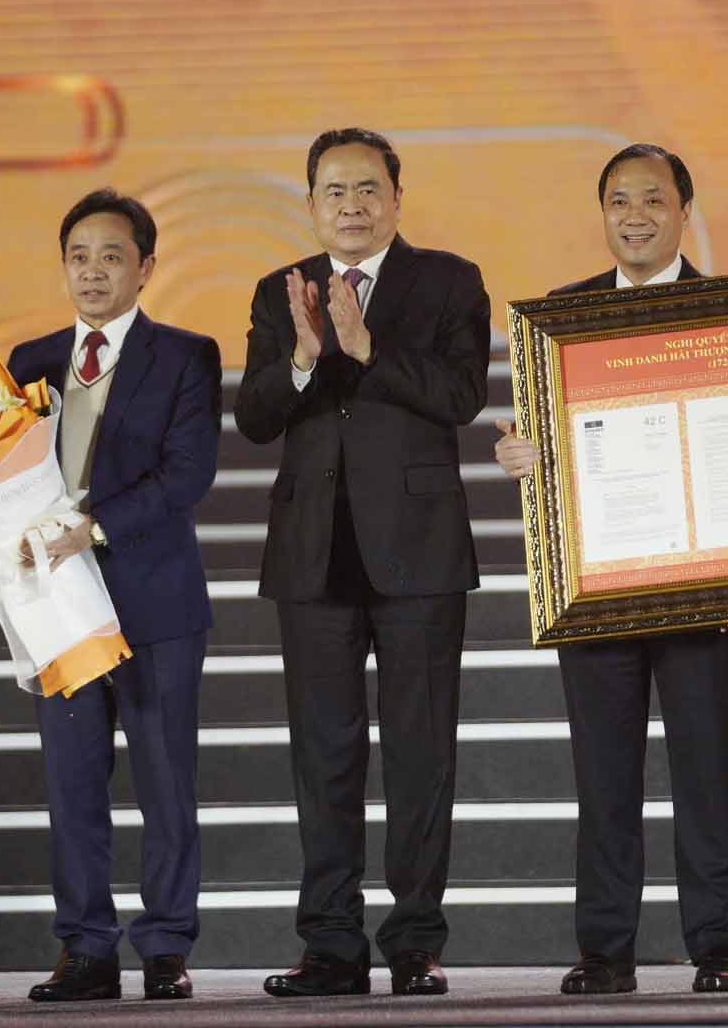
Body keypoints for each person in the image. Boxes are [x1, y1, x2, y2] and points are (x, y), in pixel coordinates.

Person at [494, 143, 728, 996]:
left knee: (707, 771)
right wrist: (522, 454)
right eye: (618, 201)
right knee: (602, 777)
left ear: (685, 208)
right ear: (601, 213)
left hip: (698, 582)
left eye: (652, 199)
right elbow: (545, 444)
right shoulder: (559, 318)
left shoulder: (727, 308)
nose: (635, 215)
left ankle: (719, 945)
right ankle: (605, 950)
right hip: (596, 581)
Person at [234, 128, 491, 999]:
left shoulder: (449, 281)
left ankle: (415, 943)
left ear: (396, 196)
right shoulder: (281, 292)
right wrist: (307, 355)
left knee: (421, 756)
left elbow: (460, 397)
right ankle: (331, 945)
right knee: (325, 758)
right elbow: (257, 418)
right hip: (314, 557)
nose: (351, 205)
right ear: (311, 203)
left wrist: (370, 348)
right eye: (333, 191)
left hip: (417, 554)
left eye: (366, 189)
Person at [6, 189, 222, 1003]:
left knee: (166, 780)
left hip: (154, 599)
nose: (92, 272)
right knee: (72, 781)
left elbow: (188, 474)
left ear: (146, 268)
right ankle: (85, 950)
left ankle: (165, 947)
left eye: (110, 257)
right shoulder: (27, 363)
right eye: (78, 256)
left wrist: (91, 528)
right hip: (57, 606)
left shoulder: (185, 355)